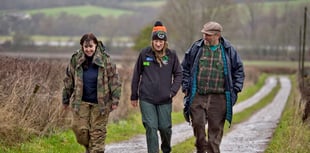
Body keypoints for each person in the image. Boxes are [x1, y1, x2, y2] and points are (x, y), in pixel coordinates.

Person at [181, 21, 245, 153]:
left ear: (218, 35)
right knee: (197, 124)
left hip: (219, 98)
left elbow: (239, 70)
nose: (205, 37)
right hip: (198, 95)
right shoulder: (196, 47)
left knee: (214, 134)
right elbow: (185, 67)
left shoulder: (228, 50)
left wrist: (236, 89)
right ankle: (200, 146)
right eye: (204, 34)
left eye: (208, 35)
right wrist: (186, 86)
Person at [62, 33, 121, 153]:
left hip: (101, 104)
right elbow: (69, 80)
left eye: (91, 46)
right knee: (80, 131)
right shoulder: (75, 59)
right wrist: (65, 99)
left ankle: (96, 149)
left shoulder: (105, 59)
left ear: (96, 46)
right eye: (86, 47)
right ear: (82, 47)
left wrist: (115, 100)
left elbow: (114, 80)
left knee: (97, 133)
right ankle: (89, 147)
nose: (88, 49)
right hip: (81, 102)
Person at [130, 21, 182, 153]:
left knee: (165, 128)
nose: (158, 44)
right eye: (156, 41)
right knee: (151, 127)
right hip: (146, 98)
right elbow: (136, 75)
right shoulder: (144, 54)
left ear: (165, 42)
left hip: (165, 99)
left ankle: (166, 149)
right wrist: (134, 95)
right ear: (152, 41)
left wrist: (172, 91)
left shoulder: (171, 55)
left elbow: (179, 74)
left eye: (161, 41)